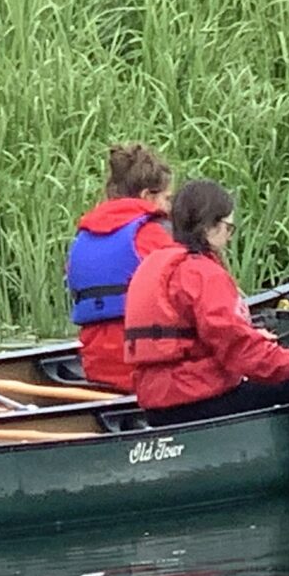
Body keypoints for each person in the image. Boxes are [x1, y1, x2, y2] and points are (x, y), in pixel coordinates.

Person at [122, 180, 289, 422]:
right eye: (229, 228)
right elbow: (240, 350)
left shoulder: (153, 265)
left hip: (156, 404)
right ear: (210, 227)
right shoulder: (203, 275)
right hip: (197, 400)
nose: (229, 238)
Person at [68, 142, 175, 391]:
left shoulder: (83, 237)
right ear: (148, 196)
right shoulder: (155, 235)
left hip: (97, 368)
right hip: (144, 371)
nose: (170, 208)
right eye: (167, 199)